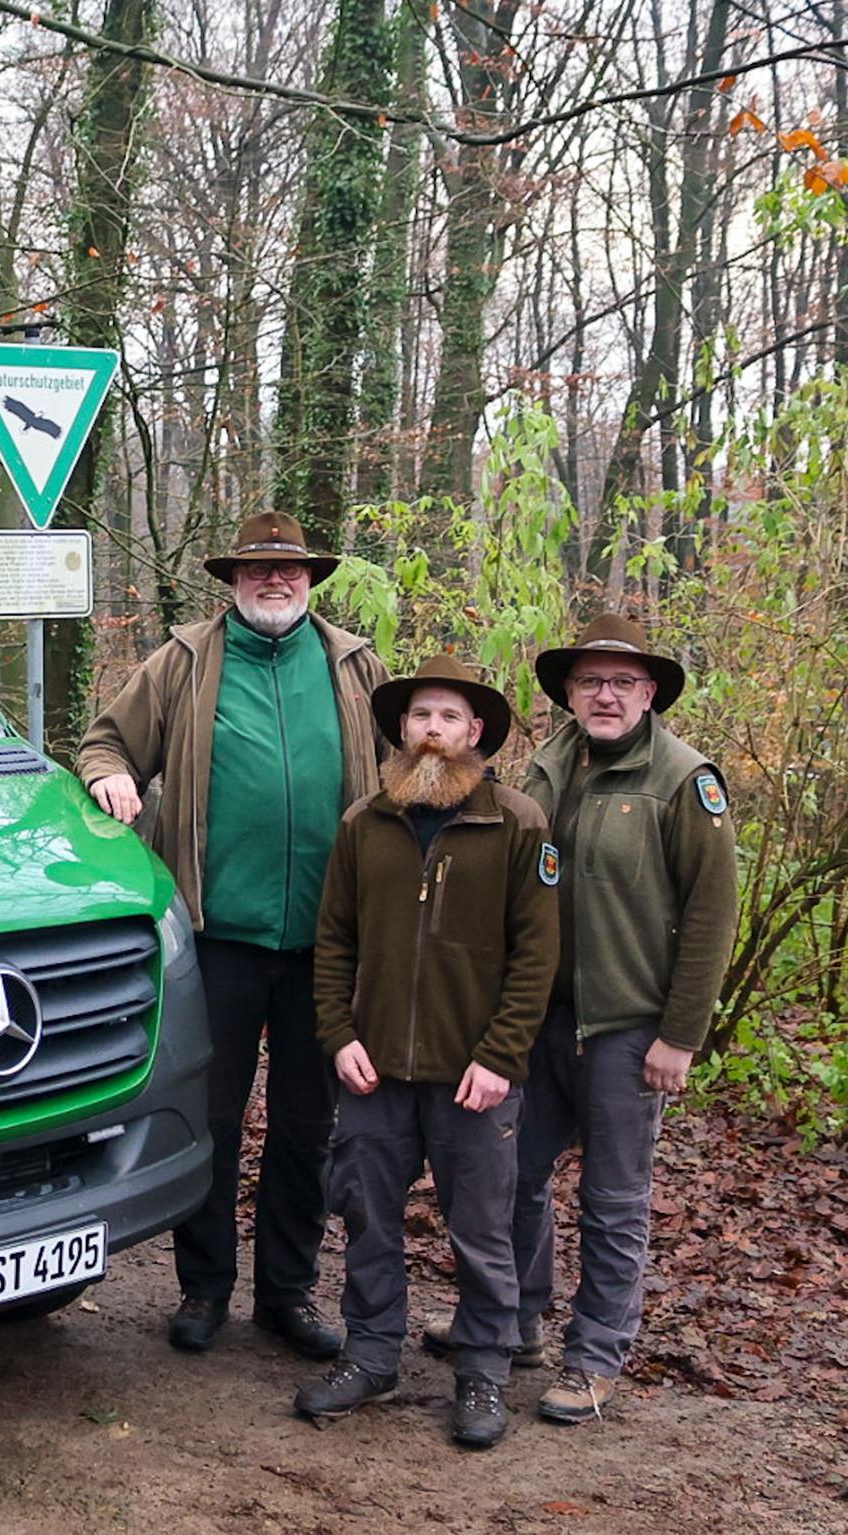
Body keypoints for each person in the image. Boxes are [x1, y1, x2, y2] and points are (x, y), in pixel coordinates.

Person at [76, 513, 388, 1358]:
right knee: (207, 1118)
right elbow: (107, 742)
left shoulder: (354, 665)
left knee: (304, 1126)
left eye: (289, 570)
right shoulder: (183, 660)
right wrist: (110, 779)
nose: (274, 582)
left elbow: (411, 766)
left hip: (329, 946)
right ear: (234, 579)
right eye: (258, 571)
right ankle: (204, 1289)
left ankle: (287, 1296)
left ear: (311, 578)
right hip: (216, 937)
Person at [424, 615, 738, 1424]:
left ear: (649, 694)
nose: (605, 694)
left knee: (614, 1197)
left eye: (622, 682)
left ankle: (596, 1355)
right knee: (513, 1179)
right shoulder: (549, 763)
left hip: (629, 1026)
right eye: (591, 681)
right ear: (567, 691)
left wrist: (681, 1033)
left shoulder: (682, 779)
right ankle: (516, 1322)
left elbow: (711, 914)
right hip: (542, 1019)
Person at [294, 655, 557, 1448]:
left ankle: (482, 1368)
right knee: (367, 1217)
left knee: (482, 1228)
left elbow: (537, 955)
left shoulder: (516, 823)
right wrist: (337, 1035)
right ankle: (371, 1355)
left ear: (475, 733)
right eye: (420, 717)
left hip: (474, 1074)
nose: (433, 731)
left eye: (449, 718)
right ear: (400, 730)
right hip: (375, 1073)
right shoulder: (363, 823)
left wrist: (502, 1055)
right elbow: (333, 940)